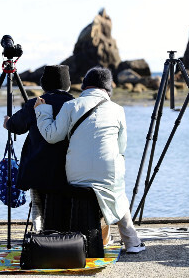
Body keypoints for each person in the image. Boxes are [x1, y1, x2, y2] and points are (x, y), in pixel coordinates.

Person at [34, 66, 145, 253]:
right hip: (108, 170)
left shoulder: (70, 106)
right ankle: (132, 243)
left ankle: (104, 239)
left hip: (77, 172)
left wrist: (42, 111)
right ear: (108, 89)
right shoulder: (117, 109)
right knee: (117, 195)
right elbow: (121, 146)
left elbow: (52, 135)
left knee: (95, 193)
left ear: (84, 86)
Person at [3, 65, 74, 231]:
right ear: (68, 85)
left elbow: (16, 126)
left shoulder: (35, 104)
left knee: (38, 203)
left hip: (37, 166)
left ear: (44, 85)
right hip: (68, 168)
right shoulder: (75, 104)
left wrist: (7, 122)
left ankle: (39, 234)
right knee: (66, 203)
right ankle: (66, 236)